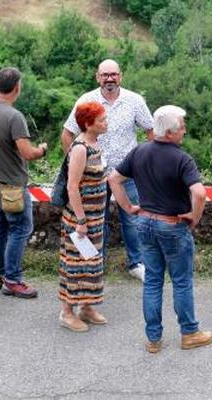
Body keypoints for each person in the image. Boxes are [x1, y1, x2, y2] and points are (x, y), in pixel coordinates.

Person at [109, 105, 211, 353]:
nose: (184, 132)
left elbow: (113, 178)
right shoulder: (182, 158)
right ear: (170, 132)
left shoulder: (139, 152)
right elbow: (199, 193)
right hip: (172, 225)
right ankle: (189, 333)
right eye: (182, 128)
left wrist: (129, 207)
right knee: (181, 281)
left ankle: (153, 339)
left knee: (153, 281)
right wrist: (194, 217)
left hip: (144, 222)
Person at [61, 59, 154, 281]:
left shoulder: (135, 101)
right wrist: (75, 165)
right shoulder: (87, 100)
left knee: (132, 217)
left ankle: (137, 263)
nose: (109, 78)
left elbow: (151, 131)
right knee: (95, 220)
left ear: (120, 76)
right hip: (94, 175)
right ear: (97, 77)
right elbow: (67, 133)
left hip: (126, 173)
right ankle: (95, 262)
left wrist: (146, 162)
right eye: (105, 75)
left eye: (113, 74)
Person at [0, 67, 48, 299]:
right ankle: (13, 280)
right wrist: (42, 150)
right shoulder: (14, 117)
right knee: (20, 228)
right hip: (11, 184)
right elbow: (27, 153)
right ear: (17, 87)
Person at [58, 102, 109, 333]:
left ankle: (86, 307)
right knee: (75, 265)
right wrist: (81, 221)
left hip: (95, 218)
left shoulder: (95, 143)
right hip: (81, 220)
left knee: (92, 263)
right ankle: (67, 312)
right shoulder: (79, 148)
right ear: (88, 124)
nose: (106, 123)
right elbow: (72, 187)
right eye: (102, 120)